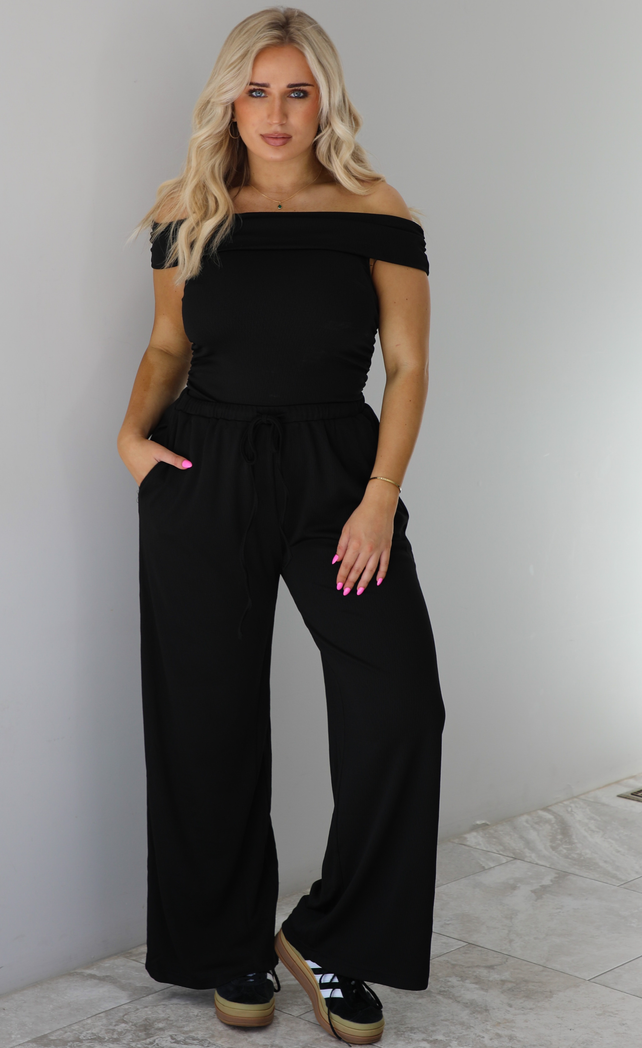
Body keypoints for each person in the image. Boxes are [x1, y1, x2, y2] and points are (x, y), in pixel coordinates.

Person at [117, 7, 446, 1045]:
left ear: (324, 102)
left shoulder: (375, 209)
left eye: (296, 91)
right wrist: (130, 439)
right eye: (255, 90)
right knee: (205, 718)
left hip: (337, 477)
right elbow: (168, 346)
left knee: (399, 703)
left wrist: (380, 496)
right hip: (203, 473)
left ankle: (331, 935)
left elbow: (408, 366)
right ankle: (229, 945)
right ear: (228, 100)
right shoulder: (190, 210)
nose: (275, 111)